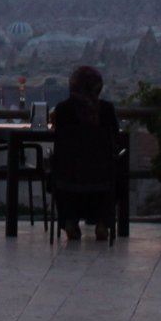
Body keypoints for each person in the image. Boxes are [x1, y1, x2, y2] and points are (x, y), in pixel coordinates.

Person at [49, 64, 122, 241]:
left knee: (59, 167)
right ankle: (103, 223)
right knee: (117, 169)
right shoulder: (106, 110)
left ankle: (69, 221)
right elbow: (115, 139)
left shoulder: (63, 110)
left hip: (68, 174)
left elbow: (58, 140)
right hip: (101, 174)